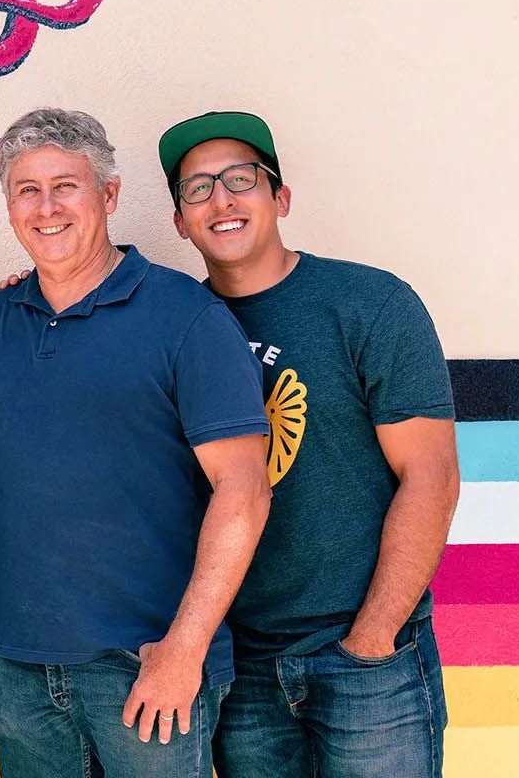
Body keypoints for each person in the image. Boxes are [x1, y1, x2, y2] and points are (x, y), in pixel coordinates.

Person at [0, 108, 272, 777]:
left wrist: (185, 650)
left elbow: (244, 488)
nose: (46, 208)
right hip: (22, 664)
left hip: (149, 663)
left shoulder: (187, 317)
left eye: (66, 185)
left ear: (109, 194)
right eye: (26, 190)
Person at [158, 111, 459, 777]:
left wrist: (373, 639)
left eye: (241, 179)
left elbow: (431, 478)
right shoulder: (173, 326)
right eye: (197, 188)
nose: (222, 199)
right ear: (179, 221)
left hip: (366, 659)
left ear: (280, 197)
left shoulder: (369, 303)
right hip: (243, 668)